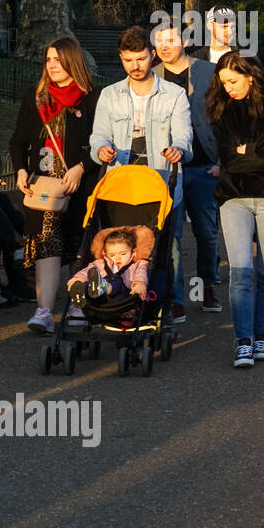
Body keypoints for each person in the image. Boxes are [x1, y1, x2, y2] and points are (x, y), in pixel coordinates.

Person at [90, 26, 192, 319]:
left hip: (161, 181)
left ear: (153, 56)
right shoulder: (110, 95)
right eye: (129, 60)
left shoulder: (174, 95)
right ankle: (121, 298)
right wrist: (101, 149)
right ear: (121, 58)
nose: (135, 66)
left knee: (166, 244)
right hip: (121, 184)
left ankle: (171, 298)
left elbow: (185, 135)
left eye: (141, 59)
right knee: (119, 241)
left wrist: (178, 150)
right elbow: (98, 135)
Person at [207, 52, 264, 367]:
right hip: (235, 196)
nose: (228, 87)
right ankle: (243, 341)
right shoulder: (222, 109)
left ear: (250, 75)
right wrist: (263, 154)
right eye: (223, 82)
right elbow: (230, 160)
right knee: (240, 272)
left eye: (232, 81)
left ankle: (262, 337)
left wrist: (253, 150)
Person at [9, 36, 99, 333]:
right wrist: (21, 170)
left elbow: (101, 144)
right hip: (43, 188)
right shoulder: (34, 97)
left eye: (58, 60)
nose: (52, 66)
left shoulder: (92, 98)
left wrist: (82, 166)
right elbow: (19, 141)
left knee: (77, 246)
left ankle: (77, 306)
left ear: (73, 61)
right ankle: (44, 311)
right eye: (48, 60)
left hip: (80, 185)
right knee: (46, 245)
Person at [153, 18, 221, 318]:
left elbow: (225, 114)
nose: (165, 47)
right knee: (173, 235)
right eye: (160, 42)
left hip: (206, 166)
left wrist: (222, 161)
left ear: (184, 41)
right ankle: (175, 297)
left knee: (207, 233)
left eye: (171, 40)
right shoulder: (151, 75)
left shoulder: (208, 71)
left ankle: (207, 285)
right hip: (169, 170)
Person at [66, 226, 149, 306]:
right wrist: (77, 279)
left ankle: (103, 286)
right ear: (105, 254)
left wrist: (140, 284)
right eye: (112, 255)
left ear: (133, 252)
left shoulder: (137, 264)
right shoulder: (101, 263)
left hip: (124, 297)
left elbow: (140, 274)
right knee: (89, 282)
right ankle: (80, 292)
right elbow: (87, 271)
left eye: (123, 254)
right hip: (99, 299)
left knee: (117, 282)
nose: (117, 258)